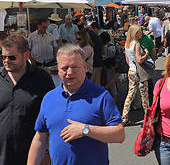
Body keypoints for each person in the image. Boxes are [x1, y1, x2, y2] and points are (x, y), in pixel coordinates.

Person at [27, 44, 125, 165]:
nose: (70, 72)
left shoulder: (101, 96)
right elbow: (40, 138)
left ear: (84, 67)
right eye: (65, 68)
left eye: (75, 67)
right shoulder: (49, 98)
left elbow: (119, 135)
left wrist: (85, 130)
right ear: (58, 69)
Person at [0, 35, 54, 165]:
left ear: (26, 55)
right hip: (3, 153)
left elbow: (52, 117)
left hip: (33, 153)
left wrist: (47, 150)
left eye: (12, 57)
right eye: (3, 57)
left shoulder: (42, 79)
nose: (6, 61)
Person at [122, 25, 149, 125]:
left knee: (130, 94)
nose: (141, 33)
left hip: (131, 71)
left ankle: (124, 117)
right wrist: (146, 54)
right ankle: (147, 118)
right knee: (144, 95)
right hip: (139, 72)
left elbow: (127, 60)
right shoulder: (136, 44)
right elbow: (139, 60)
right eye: (139, 32)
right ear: (135, 33)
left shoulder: (127, 44)